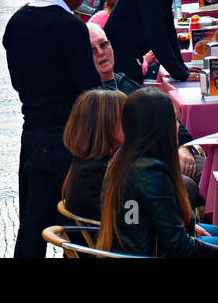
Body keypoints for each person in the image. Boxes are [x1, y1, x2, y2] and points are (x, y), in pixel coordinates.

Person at [3, 0, 103, 258]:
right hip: (67, 140)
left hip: (32, 134)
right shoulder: (69, 26)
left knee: (33, 223)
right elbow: (90, 89)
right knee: (74, 226)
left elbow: (17, 83)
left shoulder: (17, 20)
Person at [96, 89, 218, 258]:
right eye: (173, 119)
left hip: (137, 248)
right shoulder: (151, 172)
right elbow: (180, 248)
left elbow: (149, 221)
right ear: (160, 126)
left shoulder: (121, 158)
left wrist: (186, 226)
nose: (177, 125)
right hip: (152, 252)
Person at [87, 25, 204, 200]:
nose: (101, 53)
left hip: (169, 155)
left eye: (104, 45)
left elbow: (172, 120)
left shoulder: (126, 83)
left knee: (211, 172)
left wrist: (183, 147)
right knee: (186, 185)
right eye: (92, 50)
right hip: (138, 173)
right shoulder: (93, 99)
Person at [61, 88, 128, 222]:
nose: (132, 123)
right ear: (106, 124)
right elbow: (131, 220)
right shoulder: (94, 174)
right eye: (125, 117)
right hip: (105, 241)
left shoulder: (88, 163)